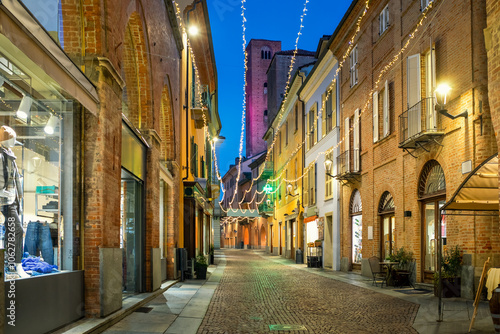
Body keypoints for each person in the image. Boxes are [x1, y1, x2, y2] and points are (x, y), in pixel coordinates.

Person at [0, 125, 28, 278]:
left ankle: (12, 265)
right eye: (13, 138)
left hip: (12, 199)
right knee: (17, 230)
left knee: (12, 231)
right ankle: (16, 265)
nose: (15, 141)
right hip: (5, 200)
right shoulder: (1, 155)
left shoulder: (8, 154)